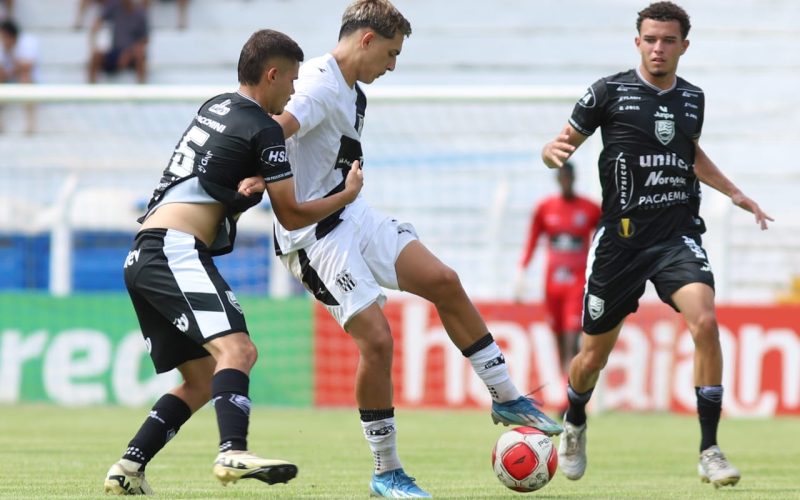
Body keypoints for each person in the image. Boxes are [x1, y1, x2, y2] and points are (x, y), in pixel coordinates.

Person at [239, 1, 562, 497]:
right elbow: (275, 128)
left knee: (444, 281)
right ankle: (386, 471)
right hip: (314, 237)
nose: (391, 66)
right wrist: (256, 175)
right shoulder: (319, 84)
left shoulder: (355, 95)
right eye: (390, 54)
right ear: (366, 39)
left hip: (353, 214)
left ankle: (506, 397)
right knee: (377, 339)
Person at [103, 29, 364, 495]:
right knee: (239, 352)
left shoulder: (215, 106)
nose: (293, 93)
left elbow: (206, 181)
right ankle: (233, 451)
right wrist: (345, 195)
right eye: (291, 81)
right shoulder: (265, 127)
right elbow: (291, 212)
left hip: (144, 251)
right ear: (272, 74)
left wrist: (241, 197)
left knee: (203, 379)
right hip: (174, 249)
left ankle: (129, 467)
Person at [541, 1, 772, 489]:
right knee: (591, 360)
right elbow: (562, 141)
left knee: (706, 321)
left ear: (684, 46)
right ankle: (576, 418)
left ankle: (709, 449)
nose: (659, 48)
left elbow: (689, 153)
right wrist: (550, 151)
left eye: (668, 40)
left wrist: (734, 192)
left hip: (676, 236)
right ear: (637, 42)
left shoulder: (692, 99)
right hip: (620, 243)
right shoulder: (608, 92)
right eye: (650, 39)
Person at [513, 162, 601, 376]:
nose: (566, 182)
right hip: (552, 285)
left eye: (569, 178)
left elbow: (604, 239)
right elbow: (531, 242)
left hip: (577, 283)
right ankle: (569, 389)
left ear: (574, 178)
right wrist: (521, 273)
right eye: (562, 178)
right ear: (558, 179)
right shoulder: (545, 209)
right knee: (560, 343)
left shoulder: (589, 209)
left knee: (573, 339)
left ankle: (571, 398)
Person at [87, 0, 149, 83]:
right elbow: (99, 21)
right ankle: (92, 89)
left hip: (132, 53)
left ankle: (141, 88)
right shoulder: (114, 6)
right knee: (96, 56)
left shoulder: (140, 13)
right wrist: (93, 43)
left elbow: (144, 40)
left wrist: (129, 54)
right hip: (115, 52)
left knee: (140, 56)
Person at [0, 18, 38, 134]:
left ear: (9, 35)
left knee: (26, 78)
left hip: (27, 79)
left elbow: (27, 67)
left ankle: (30, 123)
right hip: (9, 77)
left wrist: (10, 54)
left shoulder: (29, 42)